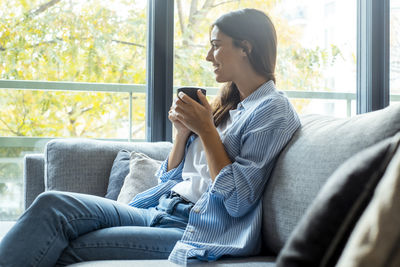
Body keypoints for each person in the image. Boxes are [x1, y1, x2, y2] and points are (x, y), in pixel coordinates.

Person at [0, 8, 300, 266]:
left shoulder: (273, 110)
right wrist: (183, 136)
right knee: (53, 203)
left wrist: (207, 130)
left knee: (62, 246)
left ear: (245, 47)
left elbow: (238, 199)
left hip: (193, 227)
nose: (209, 56)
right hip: (160, 209)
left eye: (216, 45)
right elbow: (169, 179)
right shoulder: (227, 104)